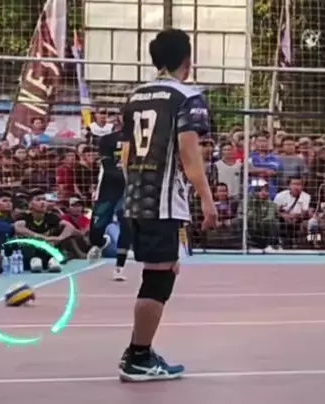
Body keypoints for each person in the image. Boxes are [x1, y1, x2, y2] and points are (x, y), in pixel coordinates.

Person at [118, 28, 217, 382]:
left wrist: (135, 190)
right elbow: (190, 155)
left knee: (165, 270)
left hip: (137, 198)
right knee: (158, 279)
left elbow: (125, 154)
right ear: (187, 61)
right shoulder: (188, 97)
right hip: (162, 202)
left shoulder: (135, 96)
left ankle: (140, 351)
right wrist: (207, 201)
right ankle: (138, 356)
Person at [87, 129, 132, 282]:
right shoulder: (107, 139)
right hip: (108, 187)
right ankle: (99, 242)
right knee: (97, 225)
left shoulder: (142, 139)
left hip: (130, 188)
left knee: (126, 223)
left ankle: (119, 267)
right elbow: (107, 166)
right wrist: (123, 172)